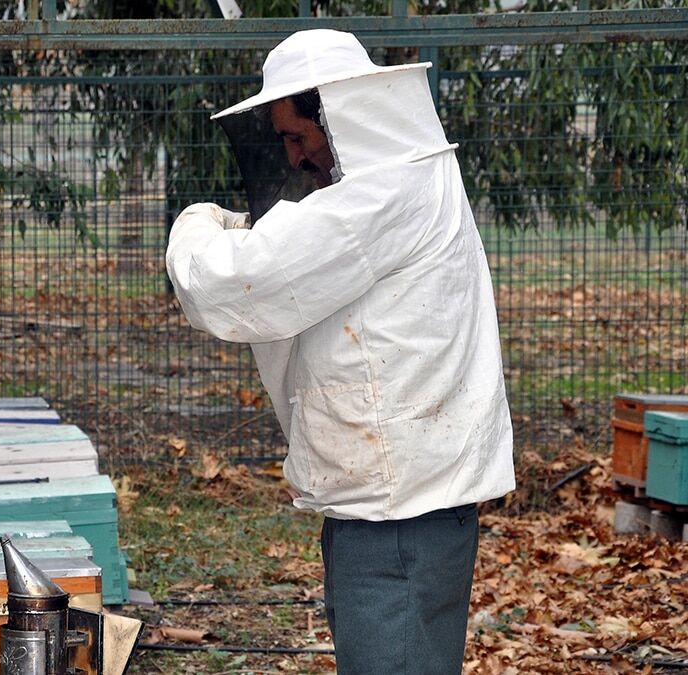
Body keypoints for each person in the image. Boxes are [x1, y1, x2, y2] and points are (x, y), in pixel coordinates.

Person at [165, 30, 515, 673]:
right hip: (402, 506)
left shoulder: (382, 195)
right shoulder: (403, 181)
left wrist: (197, 222)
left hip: (399, 519)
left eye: (300, 136)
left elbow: (230, 282)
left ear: (340, 118)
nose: (296, 158)